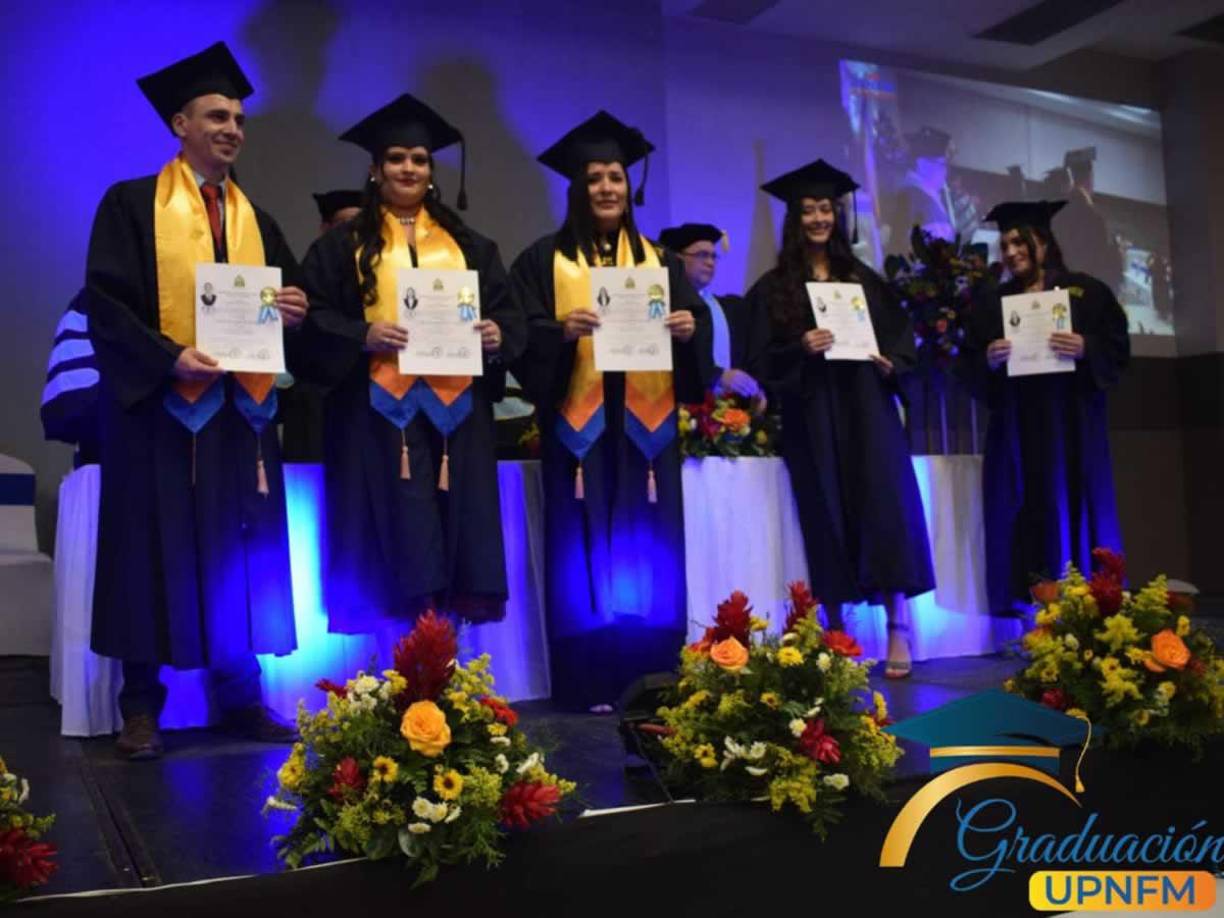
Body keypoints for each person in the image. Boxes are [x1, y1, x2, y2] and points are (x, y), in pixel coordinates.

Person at [85, 42, 308, 759]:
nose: (232, 128)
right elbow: (106, 305)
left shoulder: (257, 220)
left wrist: (295, 309)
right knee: (147, 553)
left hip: (238, 417)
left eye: (238, 118)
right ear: (180, 124)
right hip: (159, 411)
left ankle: (239, 696)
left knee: (239, 551)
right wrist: (167, 356)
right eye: (216, 116)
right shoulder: (130, 205)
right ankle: (140, 709)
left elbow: (286, 302)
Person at [509, 111, 714, 710]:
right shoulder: (542, 261)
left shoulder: (661, 264)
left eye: (616, 177)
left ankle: (651, 674)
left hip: (646, 434)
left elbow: (697, 337)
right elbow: (522, 336)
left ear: (629, 187)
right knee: (580, 550)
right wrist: (559, 332)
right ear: (578, 187)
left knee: (649, 545)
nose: (606, 187)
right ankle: (588, 678)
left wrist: (688, 329)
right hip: (580, 432)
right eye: (594, 177)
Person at [301, 93, 524, 632]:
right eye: (396, 158)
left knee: (454, 536)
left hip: (457, 422)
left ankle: (449, 663)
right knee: (394, 543)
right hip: (375, 418)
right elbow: (311, 318)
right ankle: (394, 665)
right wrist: (363, 333)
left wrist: (497, 334)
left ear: (431, 171)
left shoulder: (470, 246)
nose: (408, 168)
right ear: (375, 169)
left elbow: (509, 315)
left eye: (419, 159)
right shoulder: (342, 247)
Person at [748, 159, 933, 678]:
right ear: (795, 219)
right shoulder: (775, 289)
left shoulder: (863, 281)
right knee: (824, 514)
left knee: (884, 509)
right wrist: (800, 347)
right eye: (808, 210)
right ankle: (837, 631)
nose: (818, 218)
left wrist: (892, 363)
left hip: (866, 408)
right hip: (811, 413)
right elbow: (760, 359)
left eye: (826, 208)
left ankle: (898, 626)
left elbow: (902, 344)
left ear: (838, 215)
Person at [965, 200, 1129, 615]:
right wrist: (989, 358)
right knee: (1022, 509)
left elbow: (1117, 347)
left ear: (1043, 242)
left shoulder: (1086, 292)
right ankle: (1030, 614)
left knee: (1078, 507)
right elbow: (967, 364)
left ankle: (1090, 610)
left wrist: (1087, 346)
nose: (1011, 252)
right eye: (1005, 245)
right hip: (1017, 428)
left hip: (1072, 423)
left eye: (1020, 242)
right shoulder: (993, 302)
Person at [279, 190, 365, 462]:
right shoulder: (315, 266)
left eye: (361, 225)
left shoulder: (382, 269)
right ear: (325, 228)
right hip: (316, 395)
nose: (352, 233)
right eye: (344, 224)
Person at [657, 223, 765, 406]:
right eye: (702, 255)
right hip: (678, 407)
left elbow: (749, 357)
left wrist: (755, 388)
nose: (710, 262)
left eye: (713, 256)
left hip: (730, 413)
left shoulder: (731, 308)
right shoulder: (663, 308)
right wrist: (717, 376)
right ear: (676, 258)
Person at [1053, 147, 1123, 293]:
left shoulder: (1060, 213)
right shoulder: (1092, 216)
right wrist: (1116, 253)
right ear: (1090, 178)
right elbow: (1099, 261)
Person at [895, 126, 956, 242]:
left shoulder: (922, 193)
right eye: (942, 164)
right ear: (922, 163)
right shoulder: (920, 199)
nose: (945, 171)